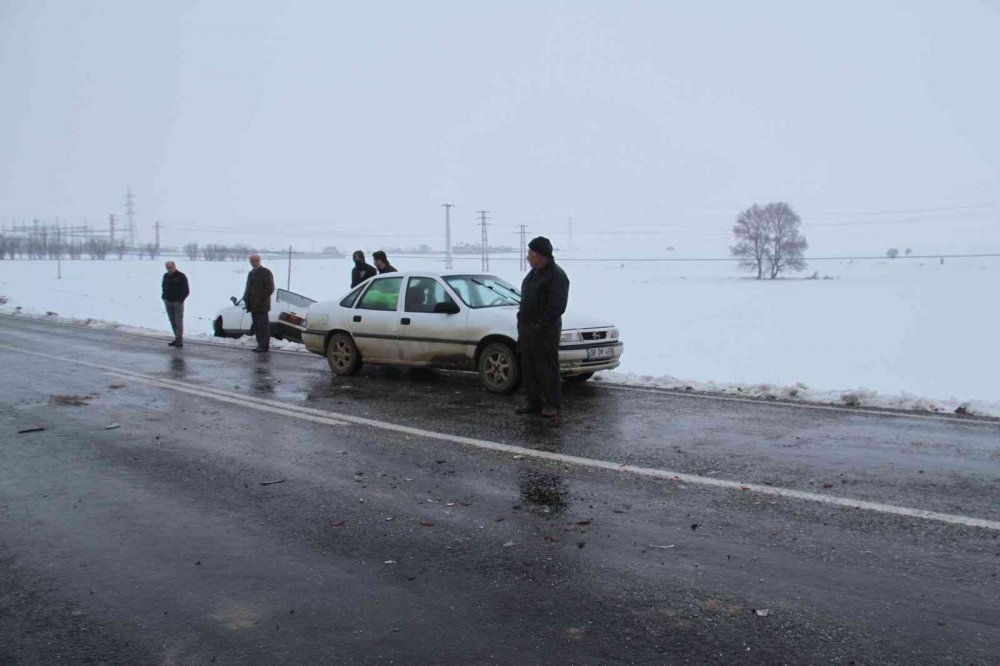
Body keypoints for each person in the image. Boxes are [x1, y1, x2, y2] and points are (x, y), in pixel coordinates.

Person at [515, 236, 569, 419]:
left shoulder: (556, 275)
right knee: (528, 367)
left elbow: (557, 306)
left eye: (531, 253)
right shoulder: (533, 274)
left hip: (545, 331)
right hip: (527, 330)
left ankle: (552, 403)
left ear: (540, 255)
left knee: (546, 367)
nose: (528, 257)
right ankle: (533, 401)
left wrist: (540, 325)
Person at [243, 254, 275, 353]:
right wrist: (246, 298)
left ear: (260, 261)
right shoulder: (251, 273)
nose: (255, 262)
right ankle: (260, 344)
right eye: (253, 261)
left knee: (263, 327)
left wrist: (260, 299)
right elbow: (248, 287)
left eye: (256, 260)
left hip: (261, 306)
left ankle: (264, 346)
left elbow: (270, 288)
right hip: (253, 306)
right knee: (256, 326)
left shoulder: (265, 272)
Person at [161, 260, 190, 348]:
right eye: (168, 268)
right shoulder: (166, 276)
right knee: (172, 321)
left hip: (177, 302)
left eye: (171, 267)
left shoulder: (181, 276)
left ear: (174, 266)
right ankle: (176, 338)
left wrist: (180, 299)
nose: (170, 269)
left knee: (178, 321)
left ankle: (179, 340)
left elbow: (186, 290)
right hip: (168, 301)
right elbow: (163, 286)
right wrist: (164, 297)